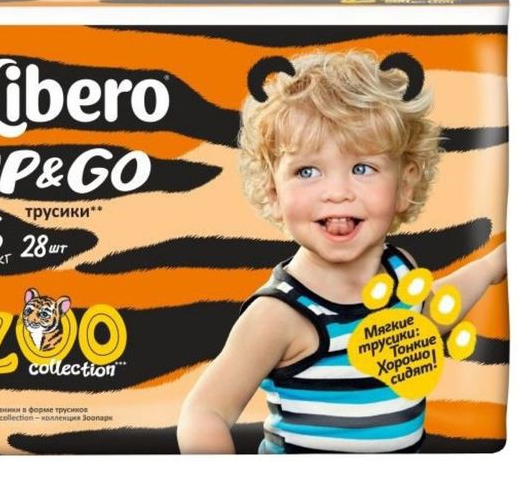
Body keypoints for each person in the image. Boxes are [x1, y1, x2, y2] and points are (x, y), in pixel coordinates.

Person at [177, 50, 506, 453]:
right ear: (273, 192)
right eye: (307, 171)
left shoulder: (400, 269)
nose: (336, 192)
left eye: (362, 168)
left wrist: (493, 265)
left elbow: (426, 318)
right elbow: (204, 412)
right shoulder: (279, 315)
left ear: (405, 184)